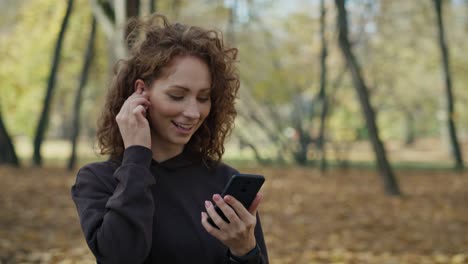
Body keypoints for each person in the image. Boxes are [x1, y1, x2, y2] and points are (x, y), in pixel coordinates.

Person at [70, 13, 269, 264]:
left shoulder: (224, 182)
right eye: (177, 95)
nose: (193, 112)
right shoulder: (98, 181)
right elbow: (119, 257)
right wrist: (136, 157)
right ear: (141, 91)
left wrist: (245, 252)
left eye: (203, 97)